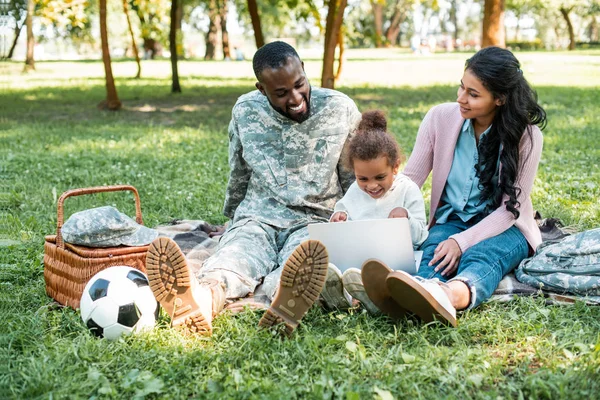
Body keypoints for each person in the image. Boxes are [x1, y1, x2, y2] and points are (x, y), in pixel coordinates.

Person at [145, 41, 362, 336]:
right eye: (281, 93)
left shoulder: (340, 109)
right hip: (257, 217)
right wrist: (232, 220)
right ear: (262, 89)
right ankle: (203, 300)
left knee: (300, 264)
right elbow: (239, 171)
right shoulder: (246, 111)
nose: (296, 98)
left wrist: (358, 223)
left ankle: (280, 301)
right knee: (234, 255)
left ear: (304, 72)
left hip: (315, 220)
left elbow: (355, 178)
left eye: (300, 85)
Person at [362, 46, 547, 327]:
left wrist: (461, 243)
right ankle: (414, 292)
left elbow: (511, 211)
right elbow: (411, 178)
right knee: (434, 255)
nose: (461, 98)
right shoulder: (439, 118)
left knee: (482, 257)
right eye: (462, 87)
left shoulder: (527, 137)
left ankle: (449, 297)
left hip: (505, 226)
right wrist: (384, 206)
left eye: (473, 94)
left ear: (499, 99)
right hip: (451, 220)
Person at [321, 110, 428, 313]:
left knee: (392, 277)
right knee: (348, 271)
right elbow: (342, 217)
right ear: (355, 173)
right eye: (363, 179)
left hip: (396, 261)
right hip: (360, 258)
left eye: (380, 177)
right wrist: (338, 219)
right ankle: (343, 296)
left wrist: (405, 218)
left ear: (395, 167)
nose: (371, 186)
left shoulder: (407, 189)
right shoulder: (354, 191)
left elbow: (421, 235)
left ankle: (373, 296)